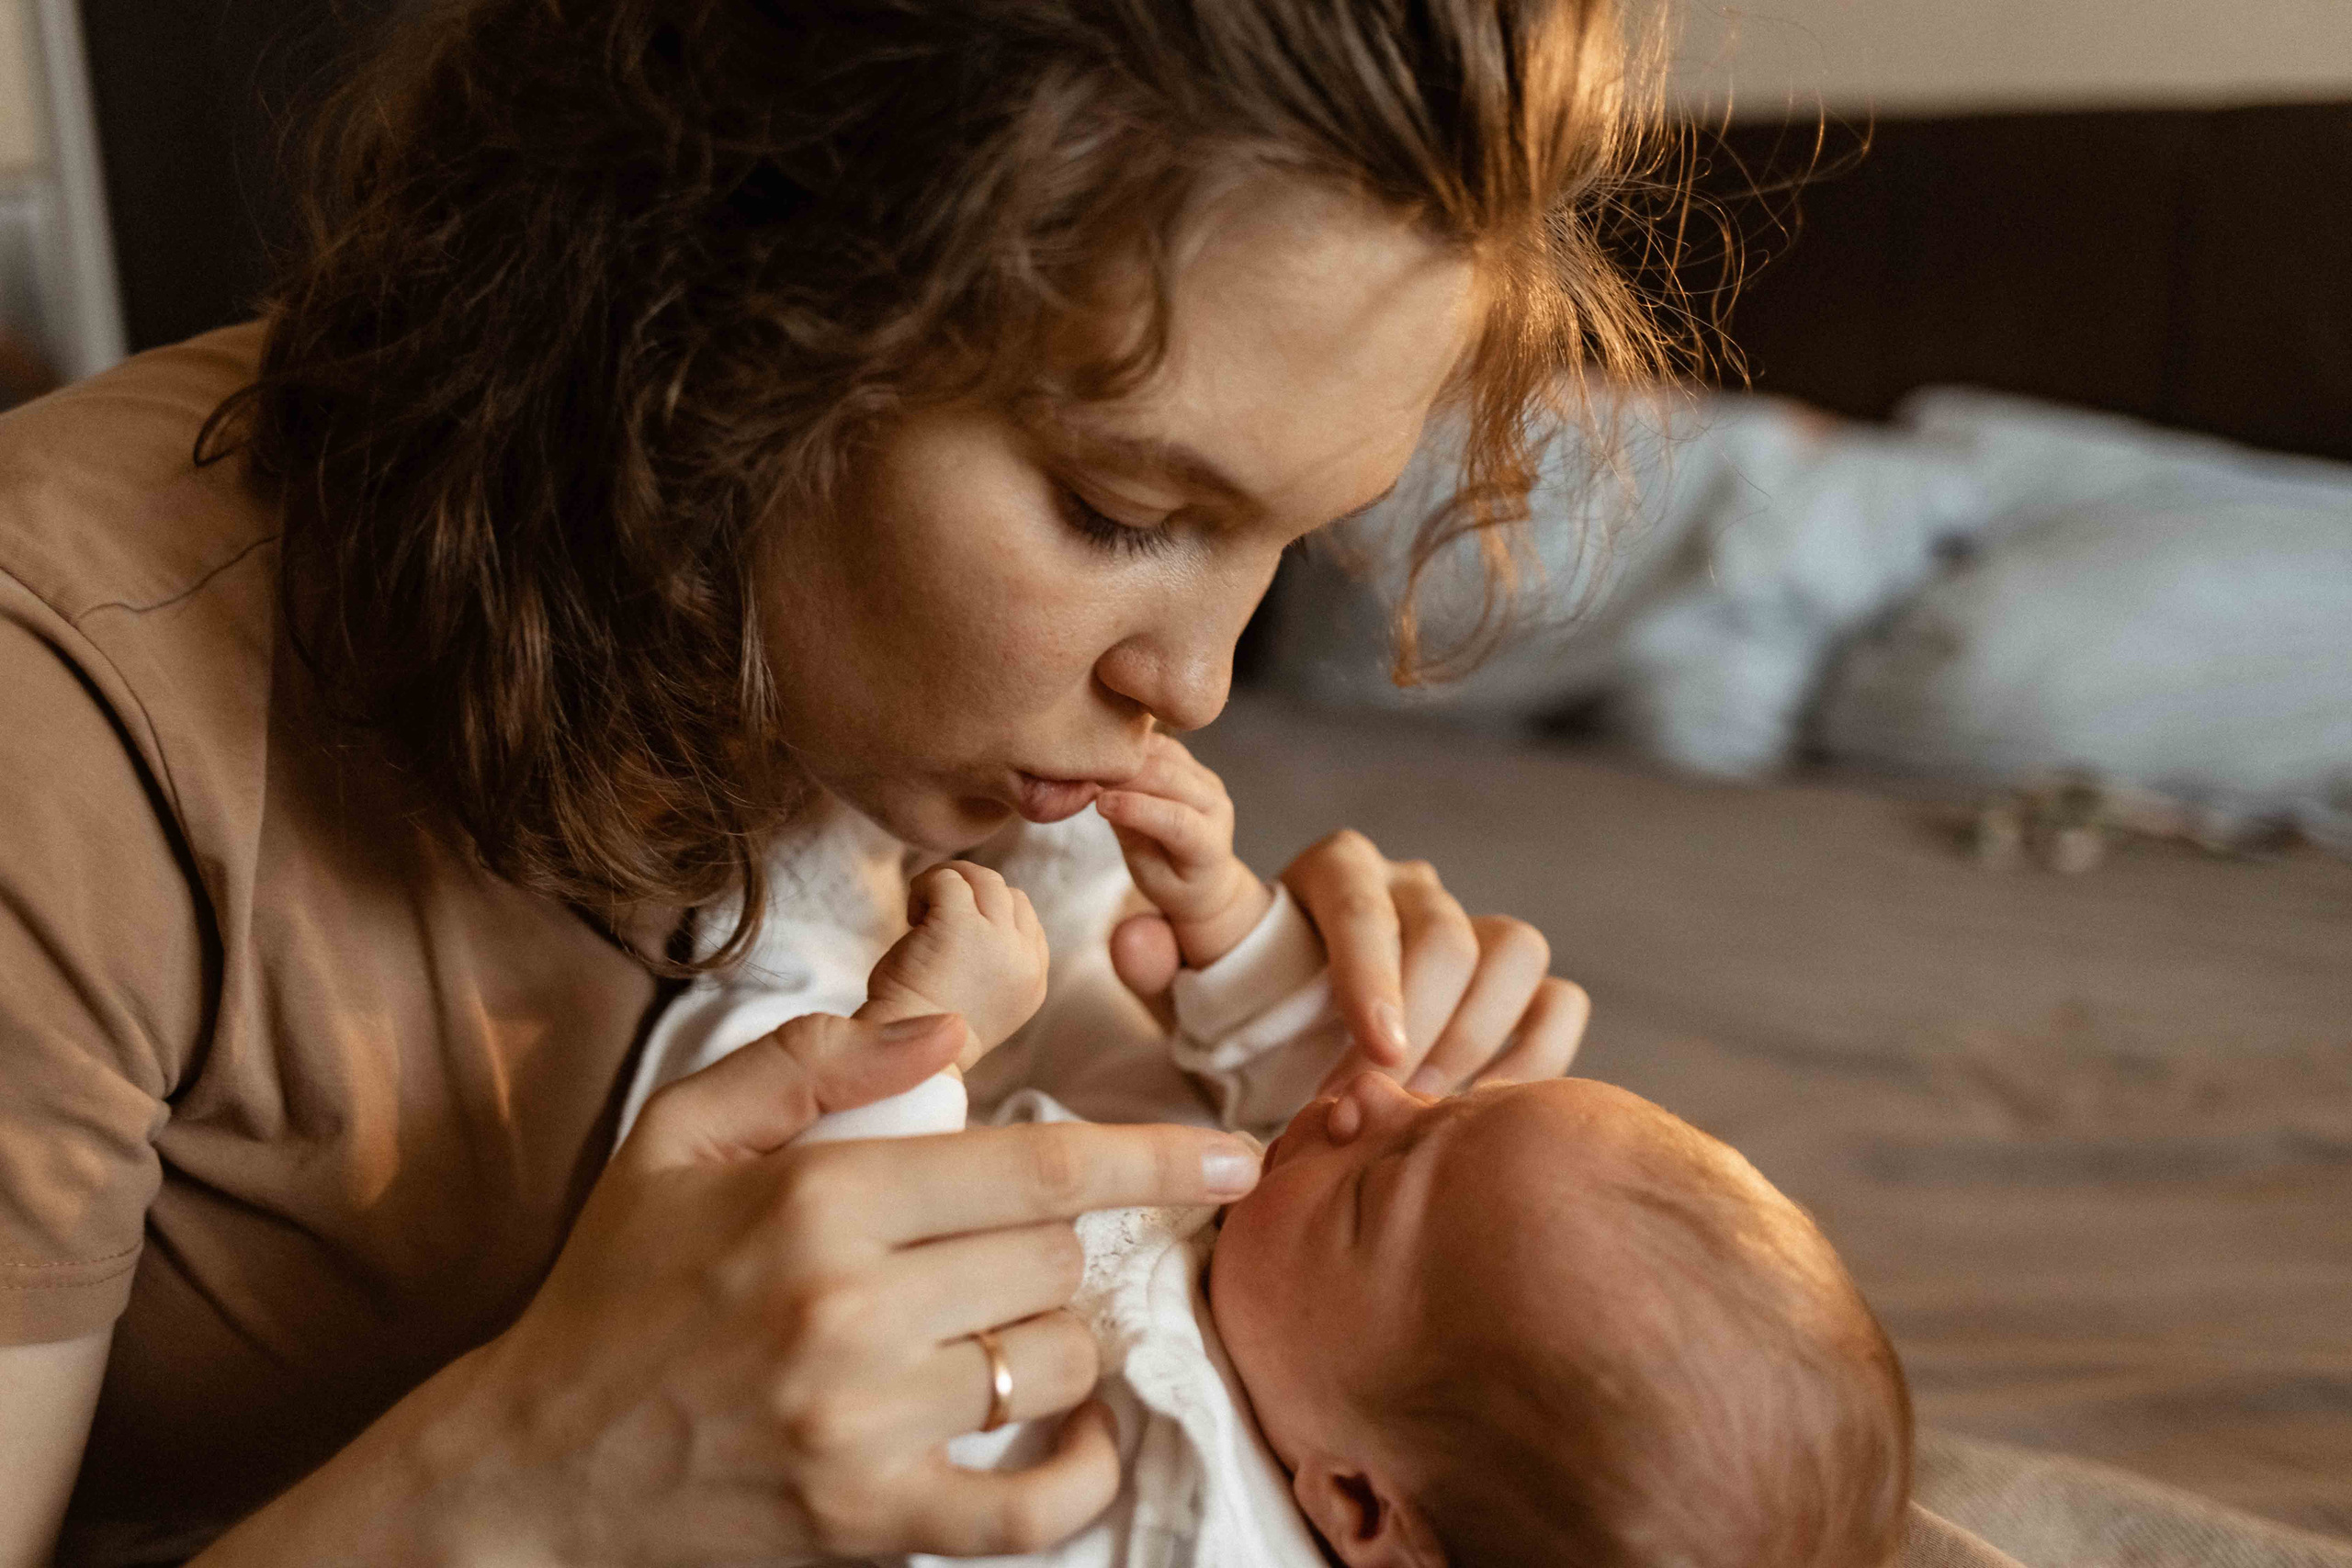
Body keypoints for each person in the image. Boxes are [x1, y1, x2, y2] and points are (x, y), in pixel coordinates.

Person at [0, 1, 1681, 1562]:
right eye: (1119, 514)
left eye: (1287, 541)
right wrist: (531, 1475)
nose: (1195, 690)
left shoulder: (881, 690)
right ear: (713, 310)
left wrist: (1300, 1030)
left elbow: (1085, 1085)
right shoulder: (62, 718)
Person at [629, 737, 1913, 1568]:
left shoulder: (1152, 1515)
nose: (1376, 1101)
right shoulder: (1310, 1307)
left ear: (1357, 1505)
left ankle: (797, 906)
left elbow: (853, 1343)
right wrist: (1228, 921)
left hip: (783, 1202)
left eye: (1382, 1187)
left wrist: (913, 1044)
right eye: (1453, 1107)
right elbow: (1323, 1071)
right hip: (1050, 1137)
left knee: (786, 965)